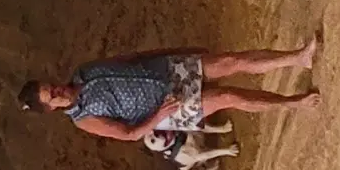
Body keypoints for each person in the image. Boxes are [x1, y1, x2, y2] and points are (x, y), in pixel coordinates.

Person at [27, 38, 321, 149]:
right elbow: (128, 134)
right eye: (51, 96)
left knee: (232, 61)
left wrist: (177, 51)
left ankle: (297, 57)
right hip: (166, 106)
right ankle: (296, 103)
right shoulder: (84, 119)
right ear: (51, 109)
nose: (57, 90)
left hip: (166, 70)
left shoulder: (85, 70)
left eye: (50, 86)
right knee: (230, 97)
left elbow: (133, 57)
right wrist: (159, 115)